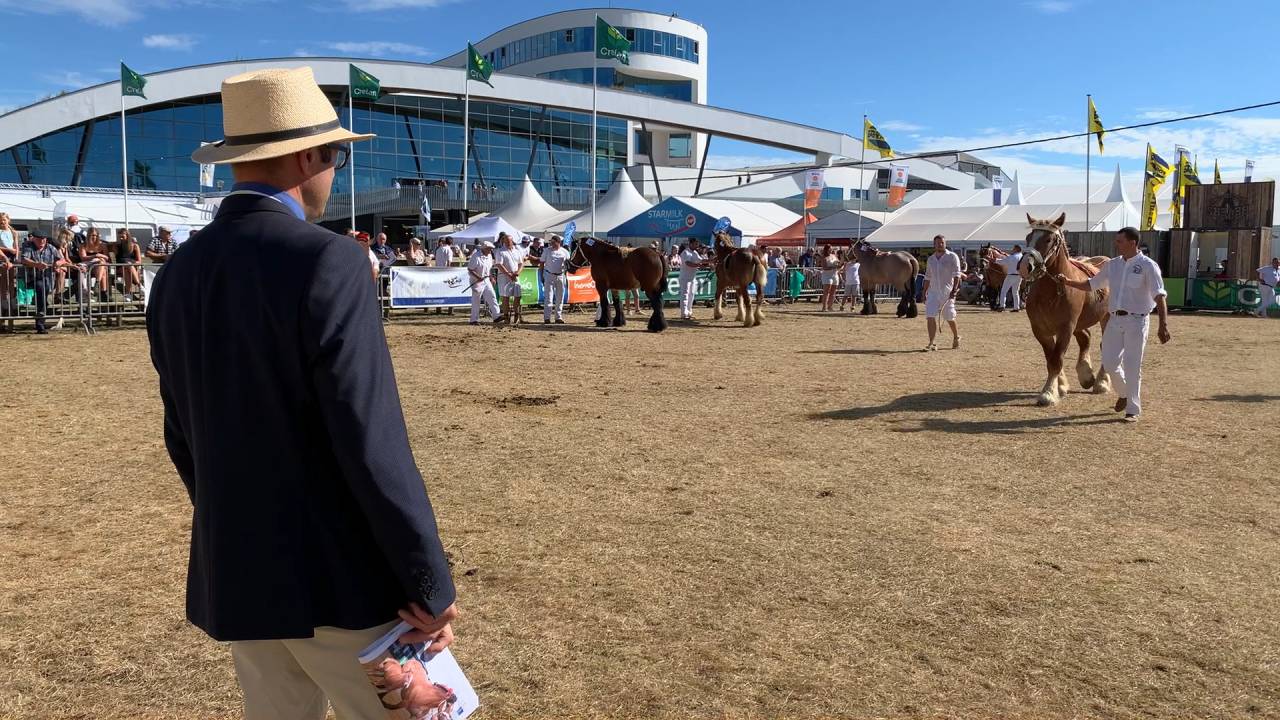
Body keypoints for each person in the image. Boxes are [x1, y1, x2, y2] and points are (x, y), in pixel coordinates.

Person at [147, 67, 458, 720]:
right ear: (304, 155)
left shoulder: (177, 273)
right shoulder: (328, 260)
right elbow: (371, 442)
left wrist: (238, 530)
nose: (336, 172)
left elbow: (183, 435)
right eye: (336, 156)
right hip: (342, 585)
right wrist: (429, 579)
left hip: (242, 573)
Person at [1057, 226, 1171, 422]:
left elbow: (1160, 296)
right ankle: (1125, 393)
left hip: (1137, 321)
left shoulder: (1148, 266)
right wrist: (1068, 282)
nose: (1116, 244)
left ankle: (1133, 410)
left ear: (1132, 243)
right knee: (1109, 363)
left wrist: (1163, 325)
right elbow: (1092, 284)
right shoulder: (1113, 265)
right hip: (1115, 320)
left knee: (1132, 365)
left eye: (1120, 241)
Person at [20, 233, 68, 334]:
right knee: (41, 288)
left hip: (47, 278)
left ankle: (41, 314)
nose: (42, 242)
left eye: (44, 239)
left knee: (43, 291)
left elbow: (62, 259)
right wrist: (36, 264)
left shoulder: (50, 247)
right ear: (34, 239)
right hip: (32, 278)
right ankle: (40, 323)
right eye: (39, 240)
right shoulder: (28, 246)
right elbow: (24, 259)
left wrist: (59, 262)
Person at [923, 234, 962, 351]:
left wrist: (954, 290)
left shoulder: (952, 257)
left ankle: (956, 336)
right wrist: (924, 292)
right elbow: (927, 277)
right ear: (933, 244)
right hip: (933, 292)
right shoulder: (931, 259)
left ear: (945, 243)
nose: (940, 244)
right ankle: (931, 342)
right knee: (930, 316)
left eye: (942, 243)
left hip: (947, 292)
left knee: (949, 316)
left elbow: (957, 275)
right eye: (937, 243)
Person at [468, 240, 501, 325]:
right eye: (489, 249)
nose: (491, 250)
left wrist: (491, 277)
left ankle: (496, 316)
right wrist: (478, 277)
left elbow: (489, 269)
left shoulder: (489, 256)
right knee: (476, 300)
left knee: (492, 296)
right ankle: (473, 320)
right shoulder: (475, 256)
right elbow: (470, 269)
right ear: (484, 248)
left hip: (486, 280)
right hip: (476, 281)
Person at [494, 232, 524, 323]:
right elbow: (499, 264)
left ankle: (517, 315)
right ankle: (506, 317)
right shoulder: (500, 251)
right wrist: (509, 274)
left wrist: (517, 273)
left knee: (518, 296)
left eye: (508, 241)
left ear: (512, 241)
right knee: (505, 297)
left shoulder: (517, 251)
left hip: (515, 276)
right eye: (505, 241)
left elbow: (521, 263)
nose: (506, 242)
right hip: (504, 277)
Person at [75, 227, 111, 303]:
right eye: (92, 235)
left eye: (95, 235)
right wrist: (96, 255)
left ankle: (97, 285)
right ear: (88, 236)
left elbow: (107, 257)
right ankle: (102, 293)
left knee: (102, 266)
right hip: (88, 266)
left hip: (98, 267)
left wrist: (99, 256)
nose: (94, 237)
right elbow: (83, 258)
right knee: (103, 268)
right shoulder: (83, 245)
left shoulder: (102, 245)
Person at [540, 235, 570, 324]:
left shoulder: (565, 252)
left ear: (558, 242)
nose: (551, 244)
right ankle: (547, 318)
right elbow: (541, 263)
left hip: (561, 276)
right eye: (551, 242)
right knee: (548, 297)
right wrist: (541, 275)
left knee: (560, 297)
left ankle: (558, 317)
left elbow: (568, 264)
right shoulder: (547, 251)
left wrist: (567, 275)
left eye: (553, 242)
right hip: (549, 275)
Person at [678, 238, 708, 321]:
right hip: (685, 278)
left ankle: (689, 312)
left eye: (697, 244)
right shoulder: (685, 252)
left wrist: (711, 261)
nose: (697, 246)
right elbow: (688, 263)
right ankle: (683, 313)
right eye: (695, 244)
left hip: (692, 278)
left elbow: (701, 260)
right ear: (690, 244)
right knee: (685, 295)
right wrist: (698, 265)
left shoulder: (694, 252)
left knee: (691, 295)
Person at [114, 229, 143, 301]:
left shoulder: (135, 246)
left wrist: (131, 263)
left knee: (127, 269)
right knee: (126, 266)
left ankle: (128, 294)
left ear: (127, 236)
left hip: (130, 267)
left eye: (122, 236)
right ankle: (139, 286)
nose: (120, 238)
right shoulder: (117, 246)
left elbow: (139, 261)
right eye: (119, 236)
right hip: (120, 266)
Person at [818, 244, 839, 311]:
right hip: (827, 276)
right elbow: (824, 267)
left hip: (835, 275)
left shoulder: (834, 256)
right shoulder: (824, 257)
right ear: (826, 250)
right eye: (829, 249)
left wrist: (840, 265)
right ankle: (824, 307)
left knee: (833, 292)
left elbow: (839, 263)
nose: (831, 250)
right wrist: (833, 267)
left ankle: (830, 306)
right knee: (826, 292)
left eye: (831, 249)